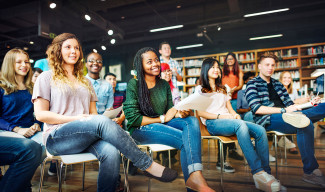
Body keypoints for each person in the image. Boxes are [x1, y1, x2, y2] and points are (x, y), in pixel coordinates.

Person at [32, 33, 178, 192]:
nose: (73, 51)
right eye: (68, 47)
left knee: (111, 151)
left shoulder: (85, 81)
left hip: (84, 136)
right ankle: (146, 164)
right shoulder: (46, 77)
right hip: (57, 137)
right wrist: (76, 119)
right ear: (57, 50)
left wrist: (108, 124)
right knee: (101, 123)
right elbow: (40, 115)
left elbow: (93, 114)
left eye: (76, 48)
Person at [123, 47, 214, 192]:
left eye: (157, 60)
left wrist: (179, 113)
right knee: (186, 140)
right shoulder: (134, 84)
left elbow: (169, 110)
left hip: (161, 122)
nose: (155, 64)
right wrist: (161, 118)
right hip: (141, 129)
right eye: (149, 61)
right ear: (140, 65)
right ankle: (194, 183)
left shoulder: (164, 84)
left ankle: (196, 178)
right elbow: (133, 119)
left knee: (192, 121)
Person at [245, 52, 325, 189]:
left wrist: (309, 104)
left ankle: (303, 115)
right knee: (304, 123)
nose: (270, 68)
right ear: (259, 66)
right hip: (268, 119)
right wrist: (284, 111)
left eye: (272, 65)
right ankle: (310, 172)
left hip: (290, 116)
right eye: (267, 65)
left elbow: (290, 105)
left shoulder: (277, 84)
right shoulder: (252, 83)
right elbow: (257, 109)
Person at [196, 58, 284, 192]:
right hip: (212, 123)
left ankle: (266, 175)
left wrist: (235, 114)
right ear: (205, 70)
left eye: (217, 67)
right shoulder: (200, 89)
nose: (216, 70)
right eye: (212, 67)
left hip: (230, 120)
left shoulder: (223, 88)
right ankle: (258, 172)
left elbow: (228, 107)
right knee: (240, 126)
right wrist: (222, 116)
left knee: (260, 130)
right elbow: (201, 113)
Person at [0, 48, 51, 173]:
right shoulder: (1, 86)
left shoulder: (33, 88)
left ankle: (19, 180)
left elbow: (41, 112)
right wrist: (17, 129)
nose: (24, 65)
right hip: (6, 131)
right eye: (19, 62)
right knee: (28, 148)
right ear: (9, 64)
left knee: (49, 144)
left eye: (27, 62)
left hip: (30, 132)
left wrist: (37, 125)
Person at [278, 71, 307, 154]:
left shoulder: (293, 90)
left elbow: (296, 102)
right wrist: (295, 102)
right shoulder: (277, 90)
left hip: (292, 111)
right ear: (280, 79)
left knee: (302, 116)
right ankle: (290, 144)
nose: (287, 79)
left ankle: (284, 140)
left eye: (289, 77)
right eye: (284, 77)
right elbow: (281, 104)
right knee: (291, 119)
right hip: (281, 112)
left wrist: (302, 101)